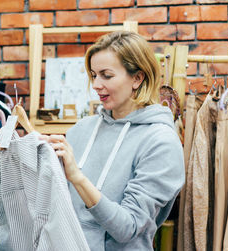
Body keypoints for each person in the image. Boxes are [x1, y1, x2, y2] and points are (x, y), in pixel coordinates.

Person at [40, 31, 185, 250]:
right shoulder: (81, 130)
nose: (96, 84)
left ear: (137, 78)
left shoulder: (161, 142)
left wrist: (77, 177)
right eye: (93, 75)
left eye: (106, 75)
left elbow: (127, 228)